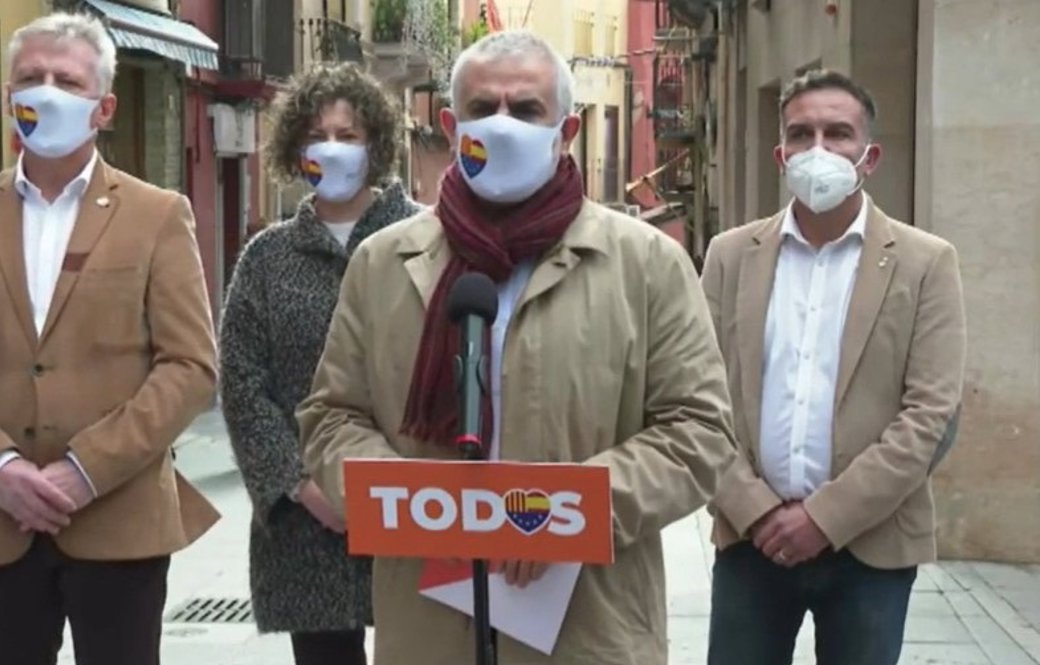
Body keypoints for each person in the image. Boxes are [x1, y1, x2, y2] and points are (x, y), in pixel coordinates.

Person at [296, 30, 737, 664]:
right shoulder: (383, 263)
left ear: (567, 131)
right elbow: (331, 416)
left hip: (588, 630)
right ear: (451, 128)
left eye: (526, 109)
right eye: (482, 108)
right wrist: (424, 508)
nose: (502, 125)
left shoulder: (647, 265)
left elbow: (700, 432)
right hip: (428, 629)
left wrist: (558, 515)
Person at [0, 12, 219, 665]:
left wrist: (85, 470)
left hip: (120, 521)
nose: (45, 92)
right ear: (7, 98)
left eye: (66, 81)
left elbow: (190, 366)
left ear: (104, 108)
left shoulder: (157, 216)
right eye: (30, 78)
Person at [701, 69, 967, 665]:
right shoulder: (729, 256)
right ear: (781, 155)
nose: (818, 149)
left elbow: (930, 414)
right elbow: (697, 400)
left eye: (838, 133)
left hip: (872, 548)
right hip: (750, 542)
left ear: (869, 156)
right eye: (801, 134)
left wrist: (824, 518)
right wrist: (754, 509)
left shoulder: (926, 263)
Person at [218, 62, 419, 665]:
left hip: (416, 512)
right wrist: (303, 487)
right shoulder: (267, 258)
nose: (331, 149)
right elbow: (242, 384)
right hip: (308, 523)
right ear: (294, 149)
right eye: (316, 135)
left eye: (347, 135)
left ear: (375, 144)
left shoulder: (426, 238)